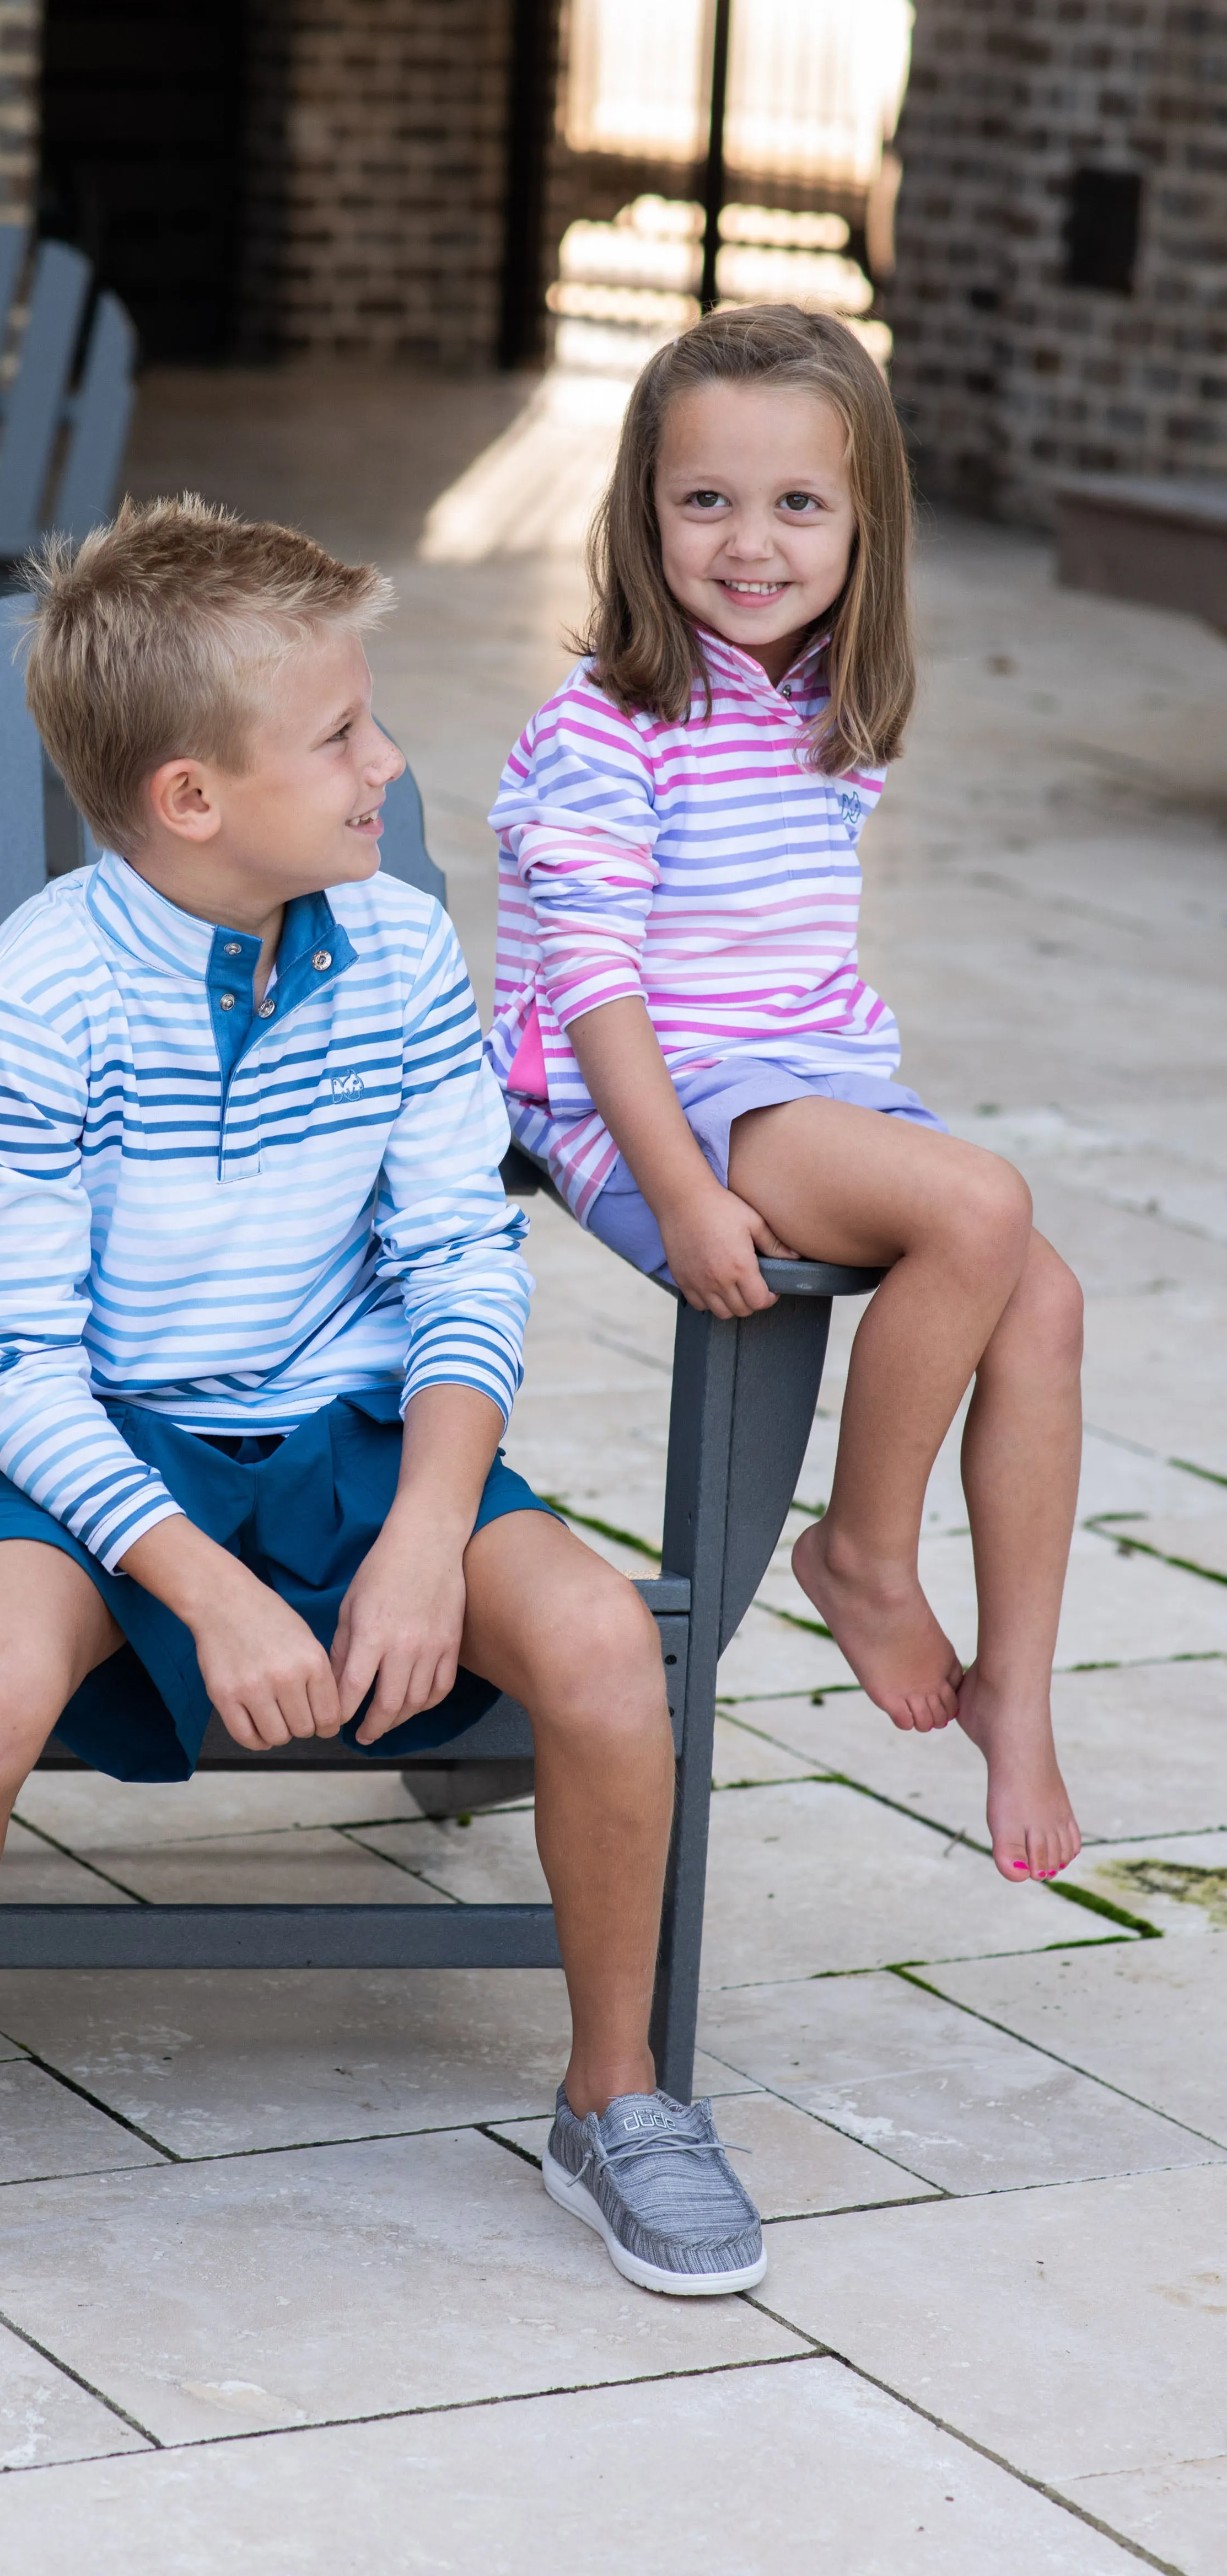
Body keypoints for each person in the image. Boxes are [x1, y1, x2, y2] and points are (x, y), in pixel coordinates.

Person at [0, 496, 766, 2296]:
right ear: (193, 799)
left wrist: (431, 1534)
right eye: (342, 734)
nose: (388, 761)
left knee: (600, 1648)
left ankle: (617, 2094)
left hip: (358, 1437)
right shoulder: (47, 991)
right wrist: (195, 1582)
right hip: (98, 1442)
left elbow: (457, 1267)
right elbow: (14, 1363)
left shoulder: (404, 954)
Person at [491, 305, 1084, 1893]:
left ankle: (1015, 1691)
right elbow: (593, 981)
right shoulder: (607, 726)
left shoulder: (820, 705)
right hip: (643, 1100)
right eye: (705, 501)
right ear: (640, 512)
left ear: (860, 526)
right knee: (977, 1207)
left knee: (1041, 1299)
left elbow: (782, 965)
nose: (749, 543)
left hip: (798, 1072)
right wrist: (680, 1188)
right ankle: (862, 1556)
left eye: (797, 505)